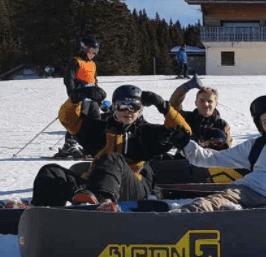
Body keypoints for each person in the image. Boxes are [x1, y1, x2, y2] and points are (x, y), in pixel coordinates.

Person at [31, 85, 191, 211]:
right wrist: (76, 97)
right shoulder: (99, 129)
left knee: (112, 158)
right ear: (114, 107)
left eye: (134, 106)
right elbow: (69, 119)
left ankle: (104, 203)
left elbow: (184, 133)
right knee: (51, 172)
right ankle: (40, 210)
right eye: (123, 106)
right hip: (98, 181)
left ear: (140, 110)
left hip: (134, 186)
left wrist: (164, 107)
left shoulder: (148, 133)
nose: (128, 111)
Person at [55, 36, 104, 159]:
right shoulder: (75, 62)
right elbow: (69, 80)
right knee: (78, 121)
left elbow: (94, 81)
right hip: (80, 96)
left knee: (95, 120)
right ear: (84, 48)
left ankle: (92, 147)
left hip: (92, 98)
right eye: (91, 50)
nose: (93, 54)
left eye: (96, 51)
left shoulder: (92, 64)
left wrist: (98, 97)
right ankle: (69, 146)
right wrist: (73, 96)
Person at [169, 75, 232, 151]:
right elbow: (173, 107)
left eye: (210, 101)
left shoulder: (222, 125)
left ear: (216, 104)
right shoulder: (187, 119)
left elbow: (228, 151)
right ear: (196, 103)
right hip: (186, 156)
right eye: (202, 100)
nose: (206, 104)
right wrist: (186, 87)